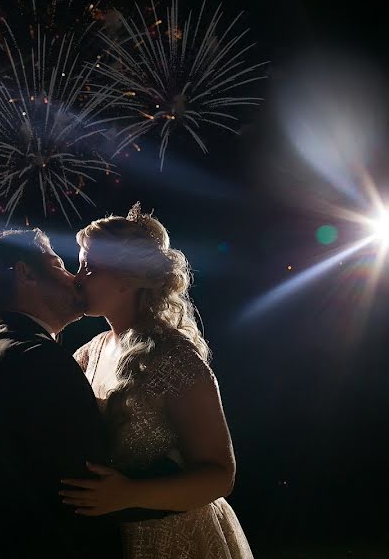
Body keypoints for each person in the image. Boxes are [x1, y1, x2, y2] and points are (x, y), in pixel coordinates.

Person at [0, 228, 177, 559]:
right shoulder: (39, 360)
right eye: (58, 264)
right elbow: (83, 492)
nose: (76, 278)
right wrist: (174, 481)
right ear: (26, 273)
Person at [60, 203, 254, 559]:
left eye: (89, 266)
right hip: (109, 540)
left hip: (176, 539)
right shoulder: (89, 352)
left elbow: (220, 475)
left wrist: (130, 494)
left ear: (126, 277)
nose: (77, 277)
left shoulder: (174, 359)